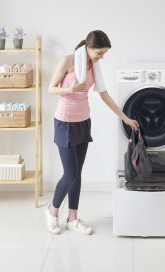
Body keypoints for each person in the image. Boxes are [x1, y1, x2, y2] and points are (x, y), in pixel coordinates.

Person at [46, 30, 139, 235]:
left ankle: (72, 218)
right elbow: (51, 89)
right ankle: (52, 211)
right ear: (88, 48)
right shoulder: (68, 61)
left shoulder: (93, 66)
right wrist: (72, 89)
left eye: (103, 54)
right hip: (65, 122)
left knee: (77, 173)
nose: (101, 57)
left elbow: (104, 96)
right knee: (69, 173)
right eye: (99, 53)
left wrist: (125, 118)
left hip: (83, 121)